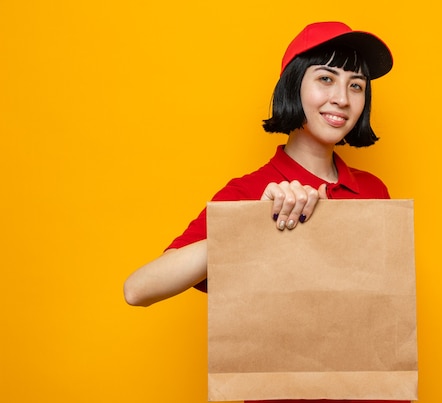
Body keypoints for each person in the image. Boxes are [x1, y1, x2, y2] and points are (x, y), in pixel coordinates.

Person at [124, 21, 406, 403]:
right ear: (293, 85)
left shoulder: (374, 192)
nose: (342, 97)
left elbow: (381, 318)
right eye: (326, 78)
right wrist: (253, 227)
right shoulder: (249, 194)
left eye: (356, 85)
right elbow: (138, 289)